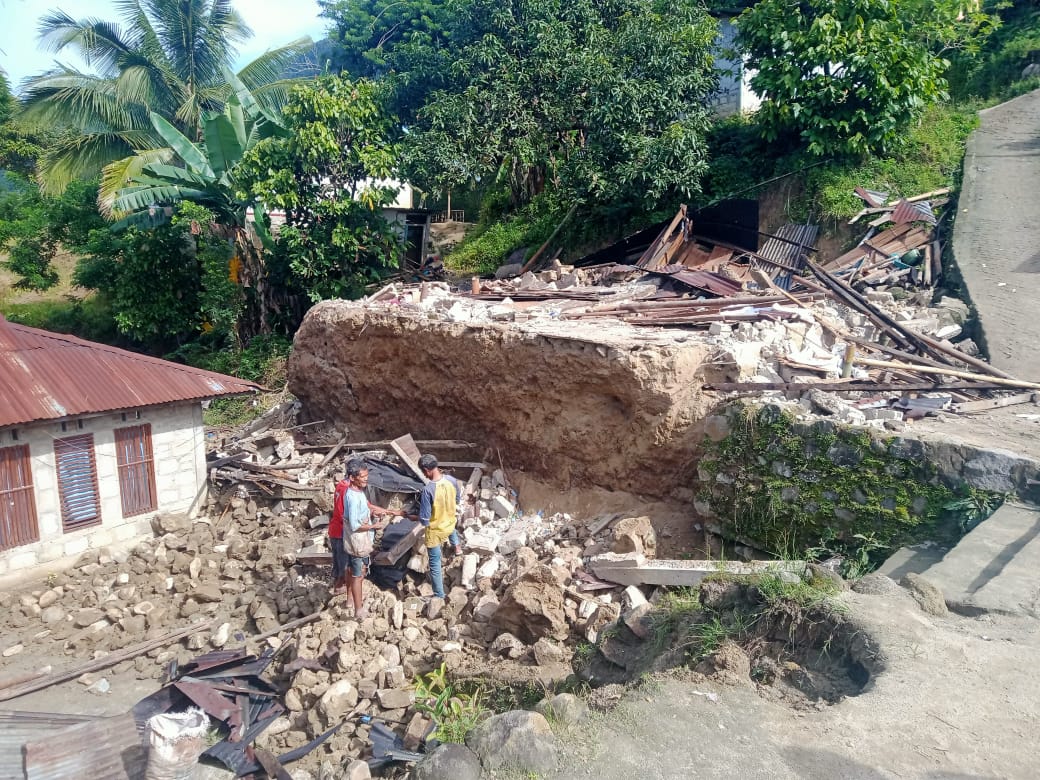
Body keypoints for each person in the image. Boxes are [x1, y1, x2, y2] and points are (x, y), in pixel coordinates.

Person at [333, 458, 403, 619]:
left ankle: (350, 599)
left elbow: (362, 511)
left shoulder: (357, 493)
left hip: (359, 541)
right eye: (362, 476)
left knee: (353, 570)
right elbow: (355, 525)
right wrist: (374, 527)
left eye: (366, 475)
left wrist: (374, 513)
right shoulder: (352, 496)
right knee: (359, 574)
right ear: (352, 478)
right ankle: (359, 610)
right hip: (358, 542)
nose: (366, 479)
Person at [417, 454, 465, 599]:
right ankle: (457, 547)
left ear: (426, 470)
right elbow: (457, 499)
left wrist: (411, 516)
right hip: (449, 522)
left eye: (423, 472)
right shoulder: (451, 480)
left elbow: (425, 519)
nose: (424, 475)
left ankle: (439, 594)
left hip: (435, 531)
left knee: (435, 564)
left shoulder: (428, 490)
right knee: (451, 528)